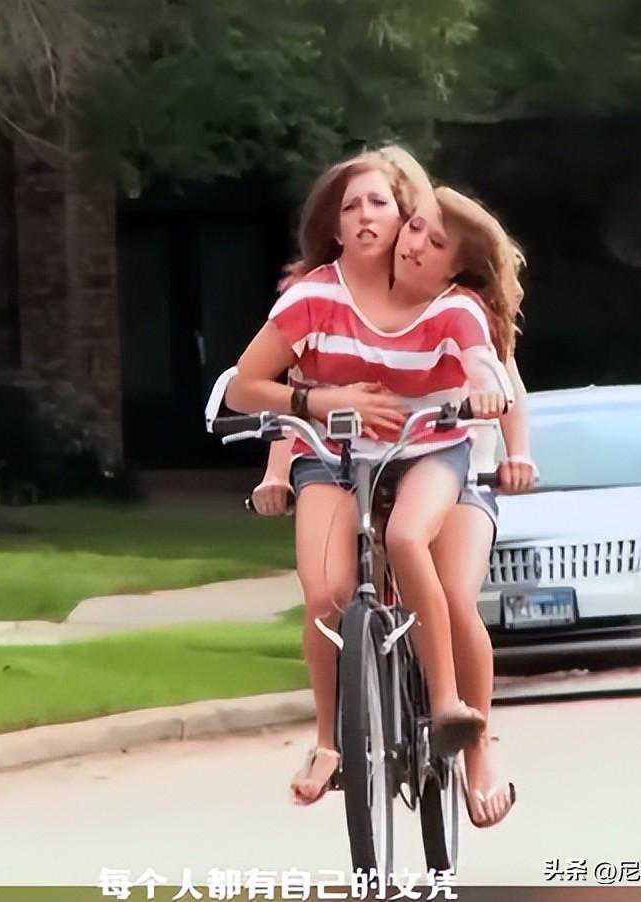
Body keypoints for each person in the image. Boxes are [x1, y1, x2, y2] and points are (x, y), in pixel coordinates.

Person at [224, 146, 512, 806]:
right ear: (333, 226)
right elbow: (245, 384)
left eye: (379, 203)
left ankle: (461, 725)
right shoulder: (312, 297)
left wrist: (490, 393)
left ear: (406, 216)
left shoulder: (447, 298)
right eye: (349, 207)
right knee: (328, 594)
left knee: (436, 575)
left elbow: (485, 361)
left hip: (426, 451)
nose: (363, 216)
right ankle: (329, 742)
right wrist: (319, 401)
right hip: (333, 456)